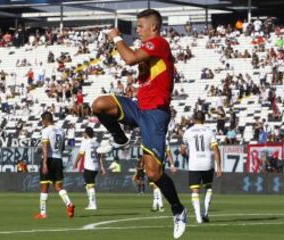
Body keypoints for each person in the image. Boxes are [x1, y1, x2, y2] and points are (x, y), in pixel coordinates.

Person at [92, 9, 187, 239]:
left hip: (155, 115)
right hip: (139, 107)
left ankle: (178, 209)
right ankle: (120, 138)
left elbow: (129, 58)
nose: (138, 31)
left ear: (153, 27)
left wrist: (116, 37)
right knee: (99, 104)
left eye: (141, 26)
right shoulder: (151, 50)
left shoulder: (160, 43)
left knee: (154, 173)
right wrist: (135, 89)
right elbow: (151, 77)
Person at [181, 111, 222, 224]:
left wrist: (184, 154)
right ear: (204, 119)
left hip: (194, 163)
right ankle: (205, 213)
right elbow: (216, 150)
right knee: (208, 187)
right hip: (207, 162)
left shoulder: (188, 132)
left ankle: (198, 217)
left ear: (193, 119)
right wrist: (219, 167)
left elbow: (182, 150)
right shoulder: (209, 131)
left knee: (195, 190)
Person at [34, 111, 75, 219]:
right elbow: (62, 148)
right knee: (58, 186)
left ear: (45, 120)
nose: (42, 123)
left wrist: (44, 163)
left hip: (49, 159)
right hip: (59, 159)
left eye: (42, 121)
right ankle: (69, 204)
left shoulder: (46, 130)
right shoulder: (61, 130)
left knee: (44, 186)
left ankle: (43, 213)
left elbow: (45, 146)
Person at [74, 127, 106, 210]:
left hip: (89, 166)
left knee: (90, 186)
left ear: (86, 134)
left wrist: (76, 162)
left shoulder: (85, 142)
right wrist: (102, 167)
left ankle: (93, 204)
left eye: (84, 133)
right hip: (95, 167)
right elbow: (100, 156)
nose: (83, 134)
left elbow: (80, 154)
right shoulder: (96, 143)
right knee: (87, 185)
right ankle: (90, 203)